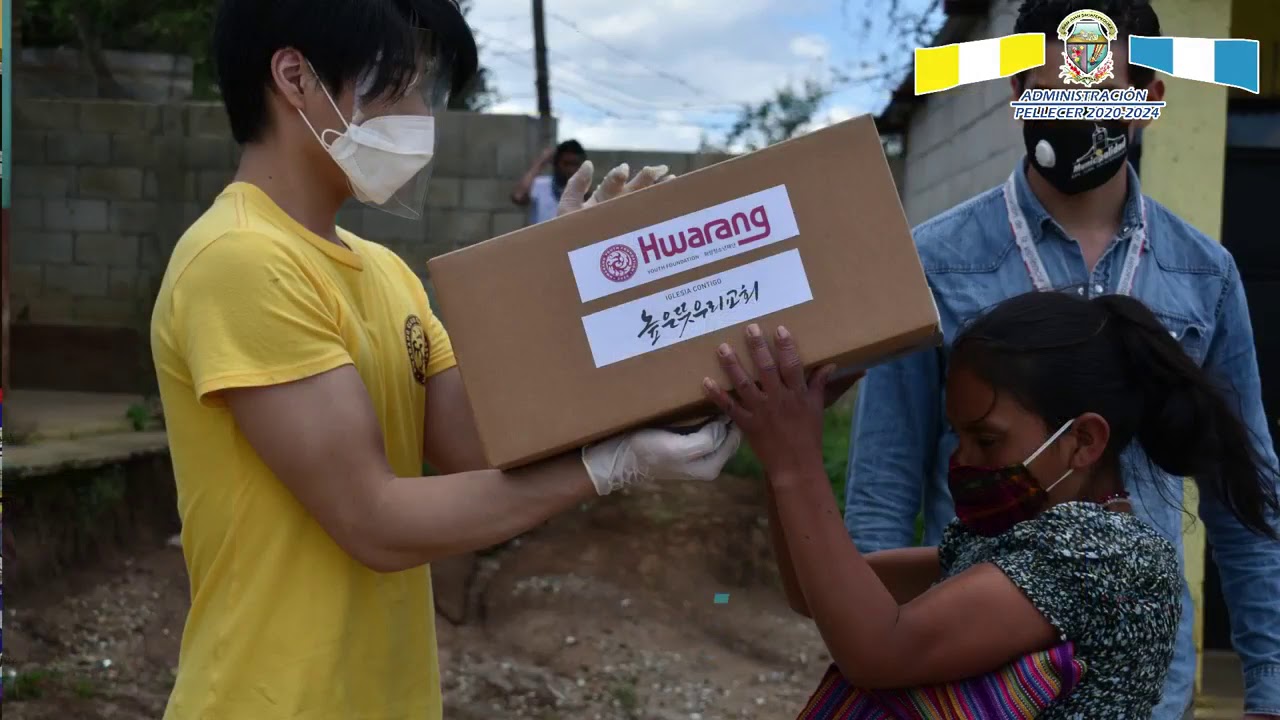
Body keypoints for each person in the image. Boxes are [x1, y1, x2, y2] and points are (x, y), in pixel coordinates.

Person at [149, 2, 740, 718]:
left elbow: (481, 441)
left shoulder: (385, 273)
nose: (420, 113)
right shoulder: (239, 260)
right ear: (294, 75)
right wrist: (607, 466)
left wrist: (567, 292)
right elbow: (374, 517)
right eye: (399, 83)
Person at [843, 1, 1280, 717]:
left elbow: (1246, 493)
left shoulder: (1204, 275)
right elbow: (884, 485)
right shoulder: (933, 262)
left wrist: (1269, 685)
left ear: (1149, 100)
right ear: (1015, 94)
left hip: (1142, 688)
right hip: (973, 677)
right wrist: (872, 662)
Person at [705, 293, 1280, 717]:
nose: (965, 460)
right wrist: (779, 445)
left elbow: (881, 649)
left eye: (987, 438)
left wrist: (794, 461)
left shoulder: (1104, 555)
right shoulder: (1008, 539)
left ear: (1083, 441)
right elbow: (816, 593)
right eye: (957, 436)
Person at [512, 139, 589, 225]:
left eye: (575, 164)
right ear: (556, 163)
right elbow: (518, 196)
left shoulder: (583, 191)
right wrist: (541, 162)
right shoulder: (541, 185)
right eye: (566, 164)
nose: (570, 170)